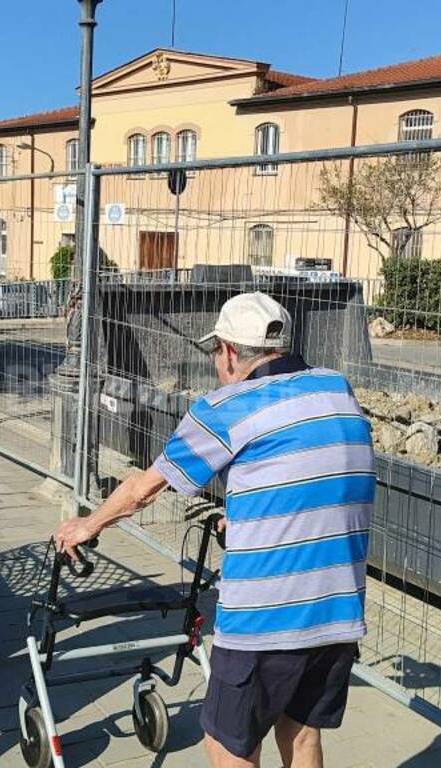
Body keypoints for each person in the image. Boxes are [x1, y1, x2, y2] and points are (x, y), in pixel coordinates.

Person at [55, 292, 376, 768]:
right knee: (302, 737)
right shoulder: (334, 387)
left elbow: (144, 488)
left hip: (266, 618)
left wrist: (89, 523)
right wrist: (246, 515)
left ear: (227, 351)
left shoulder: (225, 407)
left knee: (228, 745)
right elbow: (313, 470)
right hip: (337, 607)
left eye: (215, 353)